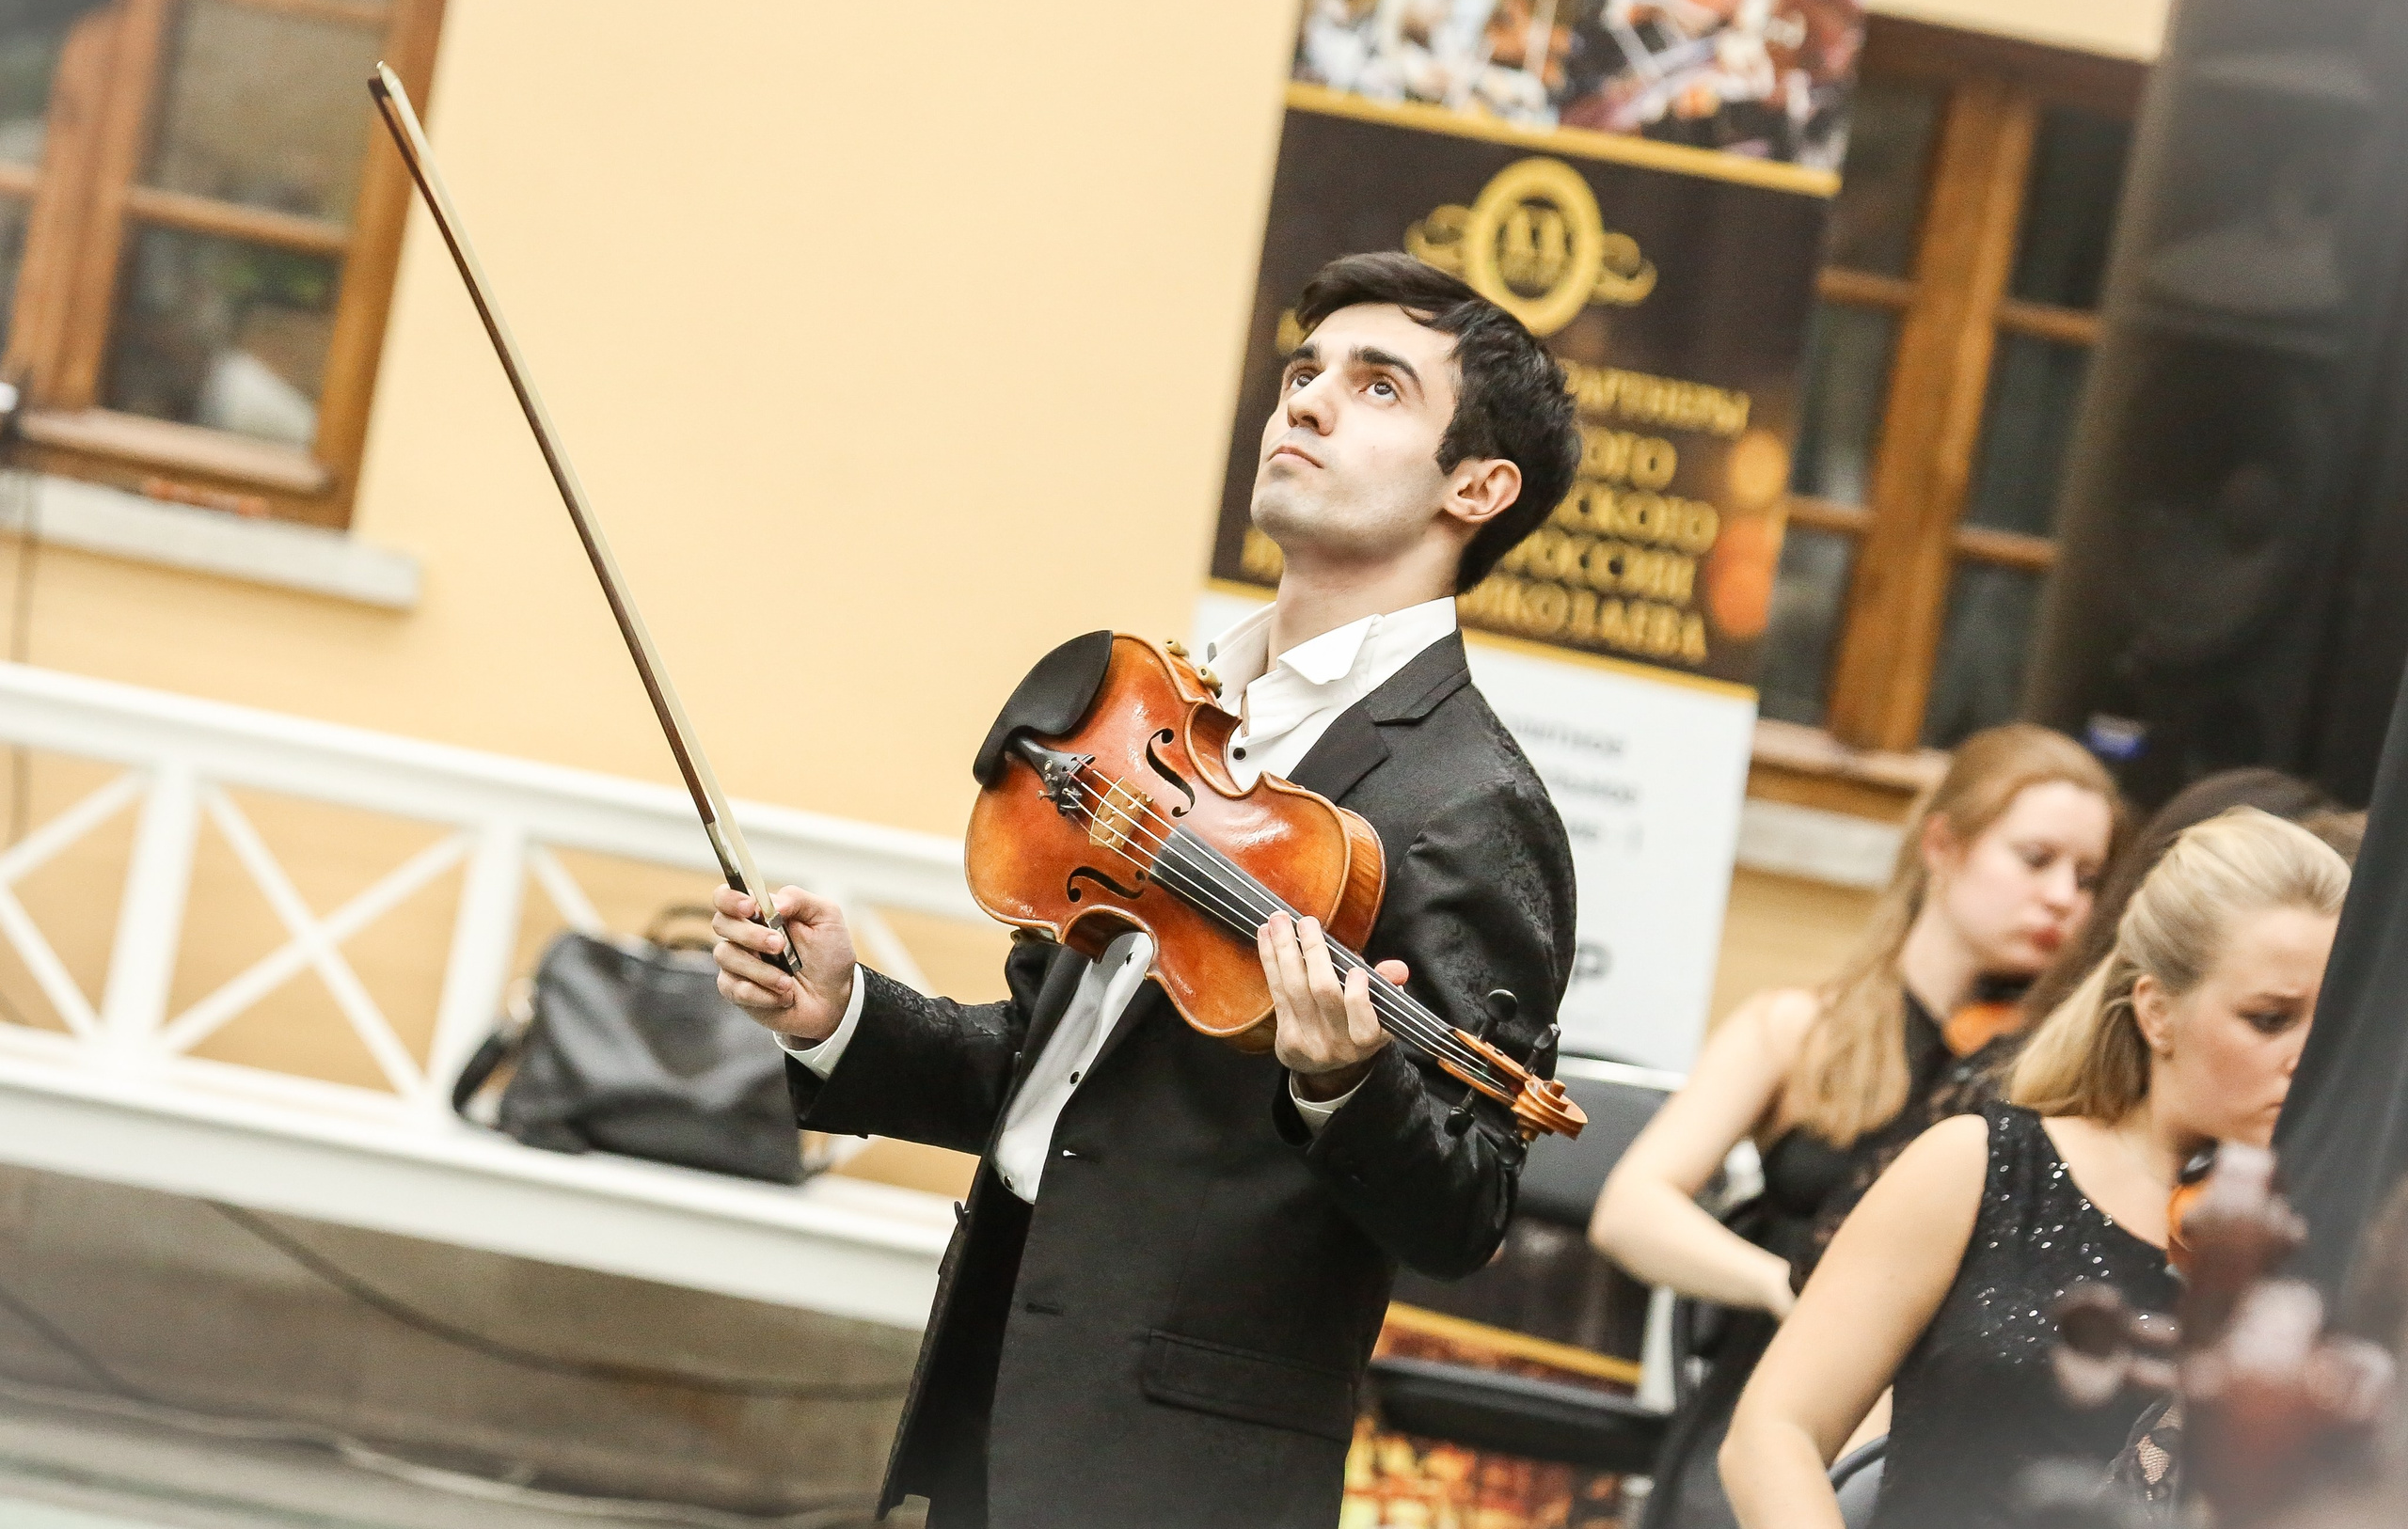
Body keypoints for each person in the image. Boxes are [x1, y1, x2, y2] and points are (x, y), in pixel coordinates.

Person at [710, 251, 1580, 1529]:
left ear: (1479, 486)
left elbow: (1467, 1207)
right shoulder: (1166, 723)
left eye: (1378, 386)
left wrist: (1347, 1082)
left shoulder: (1470, 799)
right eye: (1304, 373)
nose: (1309, 403)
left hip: (1184, 1467)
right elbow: (1039, 1082)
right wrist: (841, 1014)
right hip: (998, 1382)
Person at [1722, 807, 2350, 1529]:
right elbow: (1773, 1433)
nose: (2302, 1059)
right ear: (2157, 1013)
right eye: (2268, 1020)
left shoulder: (2317, 1237)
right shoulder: (1976, 1166)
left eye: (2324, 1025)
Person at [1589, 724, 2118, 1529]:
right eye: (2036, 859)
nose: (2063, 899)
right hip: (1767, 1407)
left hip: (1933, 1446)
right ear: (1942, 845)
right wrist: (1775, 1282)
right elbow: (1632, 1209)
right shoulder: (1797, 1029)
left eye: (2087, 878)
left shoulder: (2048, 1076)